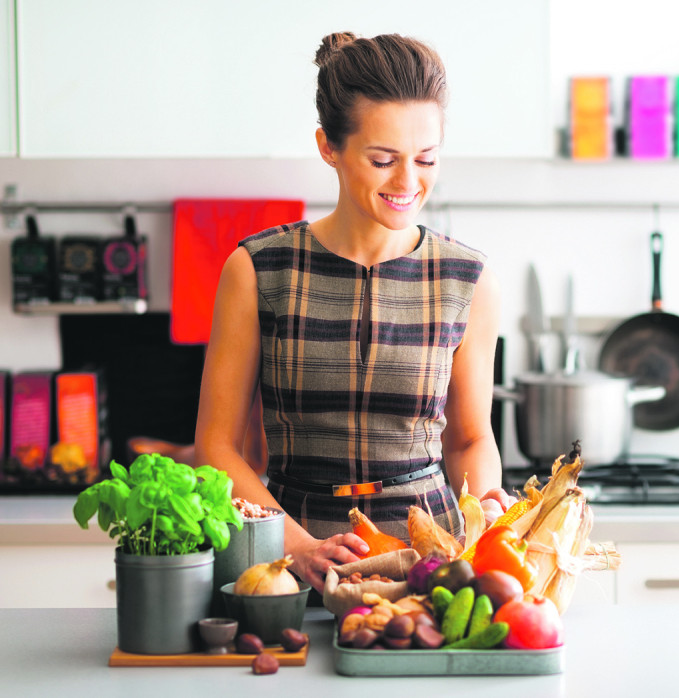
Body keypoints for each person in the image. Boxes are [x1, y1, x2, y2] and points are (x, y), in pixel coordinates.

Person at [194, 31, 514, 593]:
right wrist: (297, 549)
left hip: (432, 573)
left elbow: (468, 440)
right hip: (285, 571)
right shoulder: (258, 270)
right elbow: (216, 449)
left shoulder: (468, 280)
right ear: (329, 147)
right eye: (384, 160)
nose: (408, 182)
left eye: (427, 159)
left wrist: (486, 506)